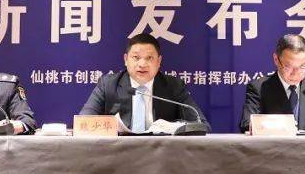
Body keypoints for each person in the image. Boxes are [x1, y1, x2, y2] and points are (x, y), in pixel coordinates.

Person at [79, 32, 209, 132]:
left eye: (149, 58)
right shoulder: (108, 85)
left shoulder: (174, 86)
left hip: (162, 154)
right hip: (118, 153)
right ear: (126, 59)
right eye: (136, 57)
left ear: (159, 62)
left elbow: (201, 125)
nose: (142, 64)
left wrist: (172, 128)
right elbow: (83, 123)